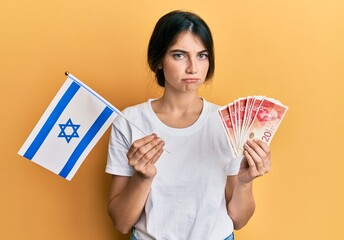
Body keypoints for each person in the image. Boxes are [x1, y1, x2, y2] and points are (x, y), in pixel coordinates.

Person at [105, 10, 271, 240]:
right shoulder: (129, 121)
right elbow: (122, 223)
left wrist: (244, 181)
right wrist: (143, 177)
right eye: (179, 55)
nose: (193, 68)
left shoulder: (228, 122)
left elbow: (239, 220)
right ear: (159, 61)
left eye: (202, 55)